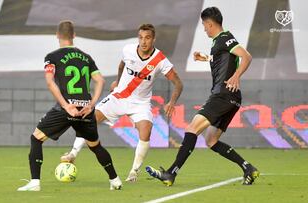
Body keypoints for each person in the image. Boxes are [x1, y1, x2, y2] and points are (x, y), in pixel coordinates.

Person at [146, 7, 259, 186]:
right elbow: (226, 60)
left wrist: (236, 76)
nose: (204, 29)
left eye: (204, 25)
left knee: (192, 129)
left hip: (222, 95)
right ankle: (248, 168)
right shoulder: (218, 43)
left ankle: (170, 173)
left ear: (210, 23)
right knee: (211, 140)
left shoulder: (224, 38)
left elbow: (246, 57)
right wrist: (206, 58)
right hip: (233, 98)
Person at [60, 24, 183, 182]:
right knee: (88, 120)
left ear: (154, 39)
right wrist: (117, 82)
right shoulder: (128, 50)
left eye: (147, 38)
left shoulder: (160, 60)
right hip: (119, 97)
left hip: (141, 103)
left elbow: (178, 83)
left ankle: (133, 172)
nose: (143, 41)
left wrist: (172, 102)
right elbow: (121, 65)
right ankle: (72, 154)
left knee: (146, 130)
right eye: (141, 37)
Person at [17, 20, 122, 191]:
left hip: (67, 108)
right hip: (85, 109)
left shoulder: (52, 57)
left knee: (36, 138)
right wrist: (91, 104)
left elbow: (50, 82)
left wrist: (66, 105)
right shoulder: (86, 57)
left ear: (57, 35)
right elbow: (100, 80)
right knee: (95, 146)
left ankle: (35, 182)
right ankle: (115, 180)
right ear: (74, 35)